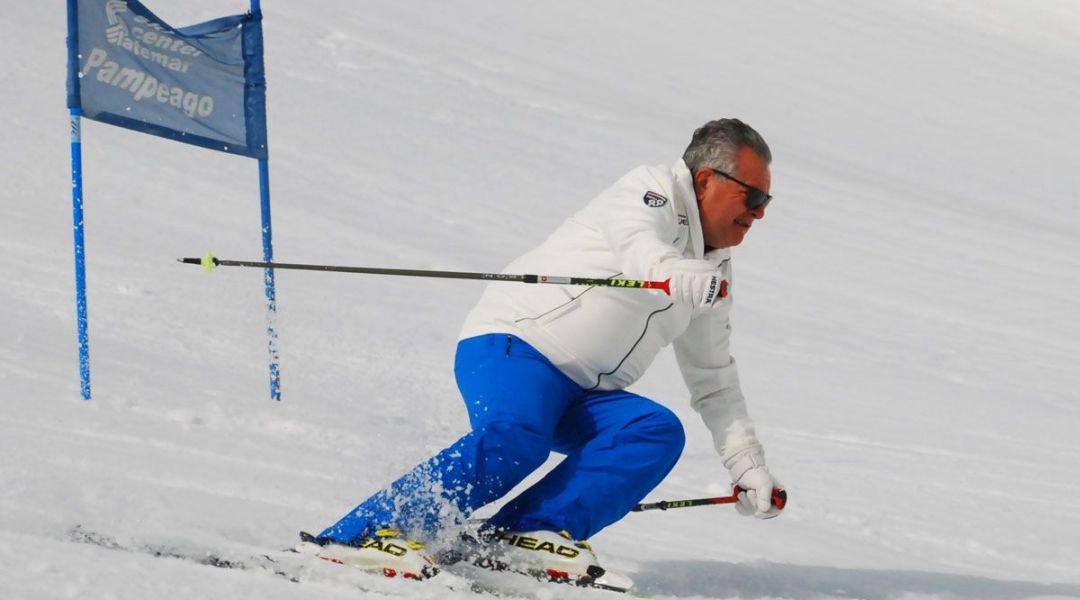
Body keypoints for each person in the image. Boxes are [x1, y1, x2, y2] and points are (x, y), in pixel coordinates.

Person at [299, 118, 785, 586]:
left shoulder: (712, 273)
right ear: (705, 180)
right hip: (516, 348)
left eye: (766, 201)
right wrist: (670, 269)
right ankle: (363, 535)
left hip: (584, 393)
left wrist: (748, 466)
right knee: (517, 440)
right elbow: (638, 242)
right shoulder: (651, 190)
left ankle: (525, 535)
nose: (760, 212)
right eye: (753, 196)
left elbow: (714, 379)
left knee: (652, 432)